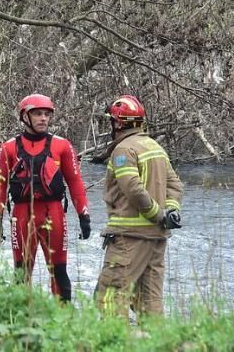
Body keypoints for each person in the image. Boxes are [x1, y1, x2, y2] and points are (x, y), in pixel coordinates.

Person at [0, 94, 90, 302]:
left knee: (59, 271)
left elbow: (75, 182)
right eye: (38, 114)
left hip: (53, 213)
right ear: (25, 117)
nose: (43, 118)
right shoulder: (8, 148)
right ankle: (21, 321)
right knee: (21, 273)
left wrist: (84, 215)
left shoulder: (62, 146)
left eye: (46, 114)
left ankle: (62, 319)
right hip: (22, 215)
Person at [96, 95, 183, 317]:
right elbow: (175, 184)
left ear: (116, 123)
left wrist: (158, 215)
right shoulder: (155, 147)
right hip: (157, 238)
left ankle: (115, 344)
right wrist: (170, 212)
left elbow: (133, 189)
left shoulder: (123, 150)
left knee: (110, 296)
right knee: (149, 301)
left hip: (129, 237)